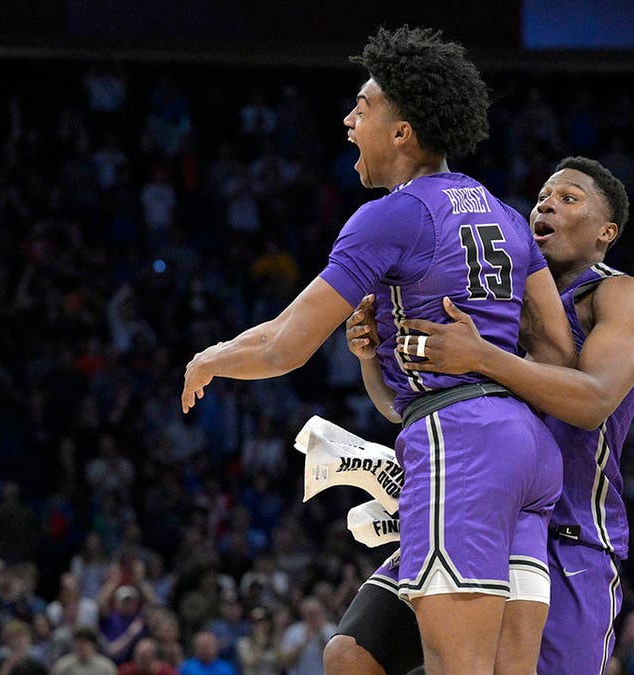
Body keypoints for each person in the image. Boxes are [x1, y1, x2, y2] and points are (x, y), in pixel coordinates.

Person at [181, 26, 575, 675]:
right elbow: (558, 356)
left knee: (463, 668)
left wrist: (213, 356)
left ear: (402, 130)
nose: (347, 120)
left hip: (463, 446)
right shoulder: (505, 216)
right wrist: (373, 356)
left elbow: (286, 343)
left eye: (362, 106)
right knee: (355, 655)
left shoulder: (395, 214)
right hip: (522, 451)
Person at [326, 156, 634, 675]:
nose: (546, 203)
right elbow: (403, 407)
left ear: (606, 232)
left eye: (569, 199)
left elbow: (592, 402)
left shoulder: (621, 296)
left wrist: (483, 357)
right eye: (544, 195)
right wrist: (372, 356)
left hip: (569, 533)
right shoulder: (494, 294)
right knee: (352, 656)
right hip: (477, 507)